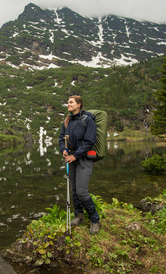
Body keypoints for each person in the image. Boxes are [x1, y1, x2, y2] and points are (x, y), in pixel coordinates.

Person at [58, 95, 100, 234]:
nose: (68, 104)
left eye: (71, 102)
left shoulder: (88, 120)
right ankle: (79, 215)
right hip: (71, 160)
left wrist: (75, 155)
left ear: (79, 104)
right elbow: (61, 138)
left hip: (83, 160)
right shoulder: (67, 121)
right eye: (68, 102)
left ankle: (95, 219)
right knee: (74, 190)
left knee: (82, 191)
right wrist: (64, 150)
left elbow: (89, 142)